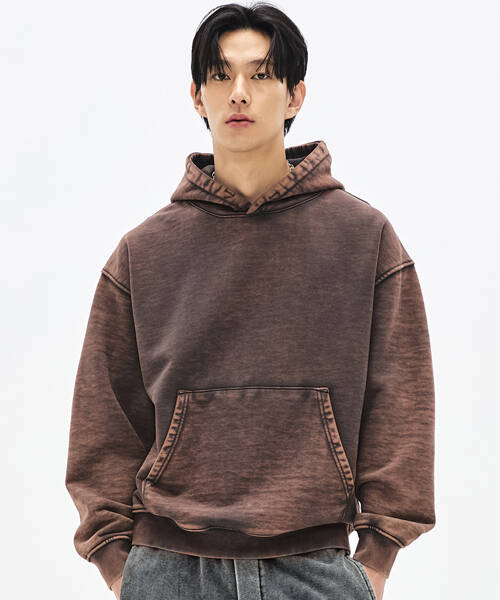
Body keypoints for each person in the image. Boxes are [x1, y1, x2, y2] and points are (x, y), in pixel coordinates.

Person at [65, 3, 436, 599]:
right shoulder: (144, 251)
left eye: (261, 75)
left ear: (295, 96)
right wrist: (118, 565)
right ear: (197, 95)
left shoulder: (364, 240)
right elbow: (103, 420)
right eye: (220, 75)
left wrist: (377, 558)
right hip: (169, 570)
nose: (239, 92)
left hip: (316, 568)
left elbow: (401, 403)